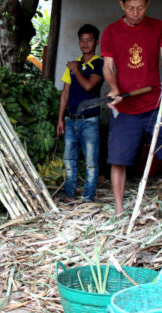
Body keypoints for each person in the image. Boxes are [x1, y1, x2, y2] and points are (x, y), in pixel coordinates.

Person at [101, 0, 162, 215]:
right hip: (126, 109)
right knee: (117, 160)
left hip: (155, 107)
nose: (135, 13)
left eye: (140, 8)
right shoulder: (111, 31)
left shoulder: (160, 27)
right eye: (130, 8)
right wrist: (113, 88)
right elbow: (108, 66)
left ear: (148, 4)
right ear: (122, 5)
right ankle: (120, 211)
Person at [56, 24, 104, 202]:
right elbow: (65, 93)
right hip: (71, 120)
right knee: (69, 161)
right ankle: (69, 194)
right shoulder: (73, 65)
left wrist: (76, 69)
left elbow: (89, 85)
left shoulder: (100, 64)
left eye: (89, 40)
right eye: (82, 40)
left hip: (89, 121)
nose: (85, 44)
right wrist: (61, 118)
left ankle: (88, 197)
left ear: (96, 42)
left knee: (91, 163)